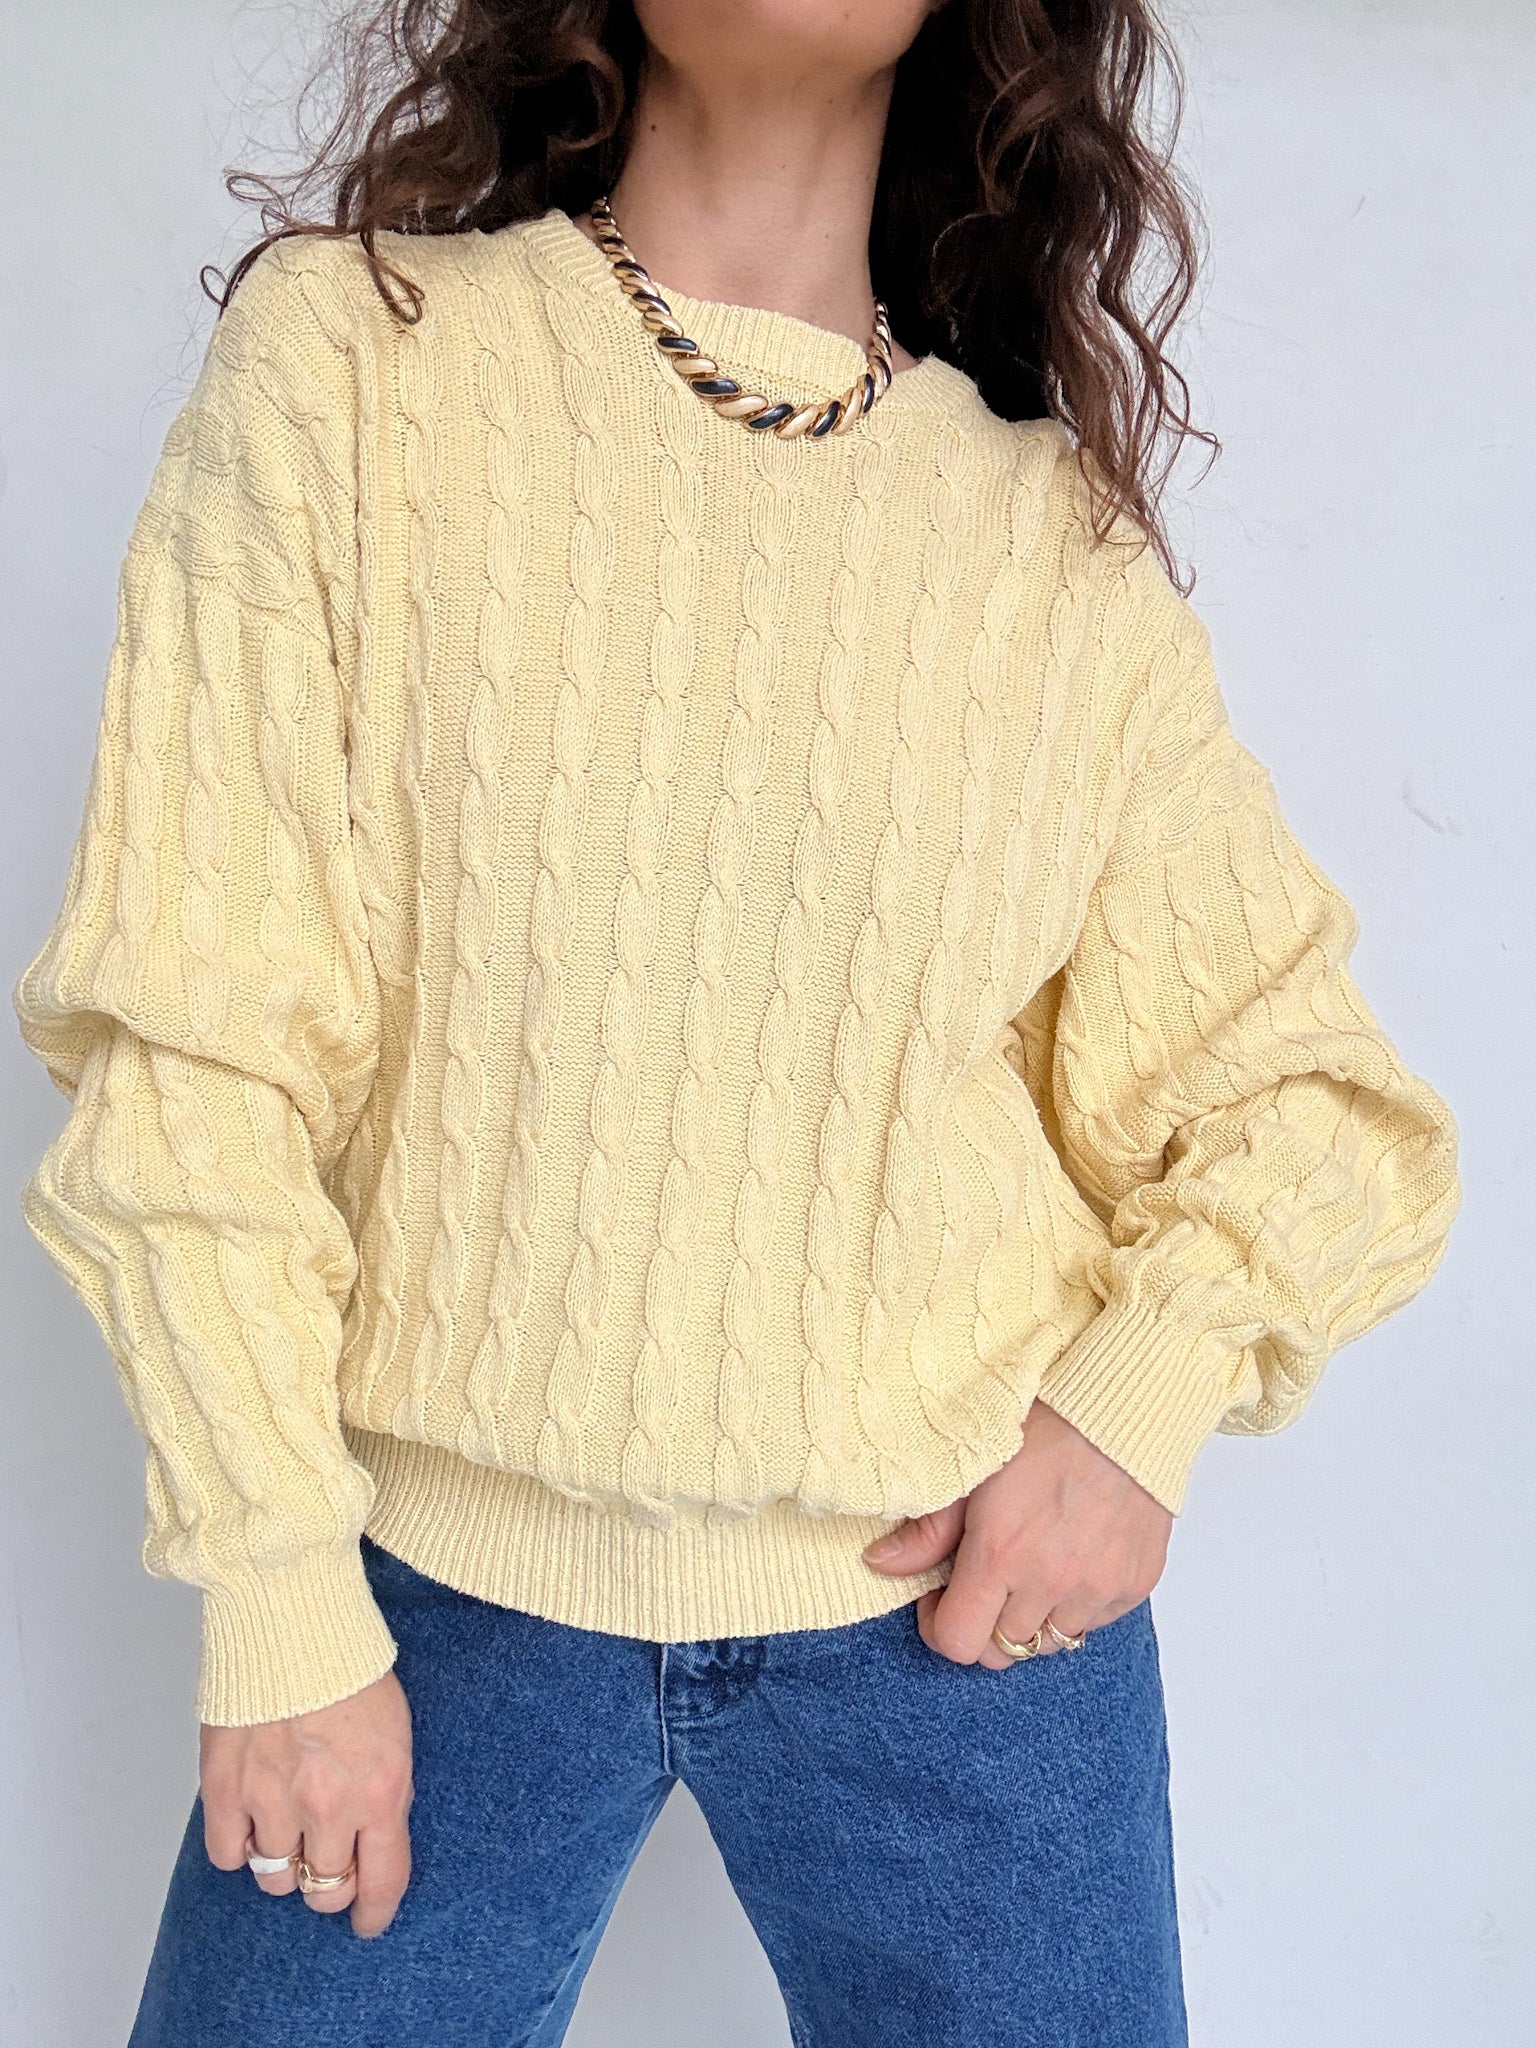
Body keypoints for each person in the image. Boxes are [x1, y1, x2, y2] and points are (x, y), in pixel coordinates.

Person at [12, 2, 1462, 2042]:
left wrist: (1133, 1408)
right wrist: (272, 1590)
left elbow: (1310, 1094)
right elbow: (196, 1048)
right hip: (408, 1612)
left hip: (954, 1633)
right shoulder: (355, 364)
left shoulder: (1049, 550)